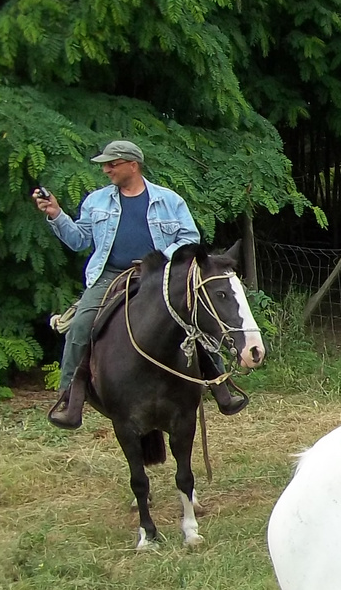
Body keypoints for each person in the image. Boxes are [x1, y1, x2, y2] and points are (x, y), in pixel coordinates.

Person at [35, 139, 247, 428]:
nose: (106, 169)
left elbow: (189, 238)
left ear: (132, 165)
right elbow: (79, 240)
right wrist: (56, 215)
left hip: (158, 276)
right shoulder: (96, 201)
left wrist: (158, 258)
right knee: (81, 325)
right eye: (105, 164)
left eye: (112, 164)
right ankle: (69, 398)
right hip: (110, 276)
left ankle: (222, 386)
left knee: (195, 316)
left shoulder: (169, 201)